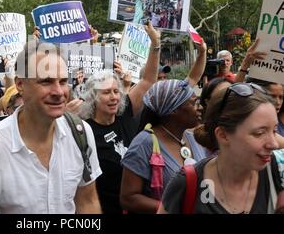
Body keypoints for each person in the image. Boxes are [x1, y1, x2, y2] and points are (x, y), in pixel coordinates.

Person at [0, 41, 102, 213]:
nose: (59, 92)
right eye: (46, 81)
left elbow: (87, 201)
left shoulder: (81, 134)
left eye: (62, 81)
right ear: (20, 85)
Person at [159, 83, 282, 213]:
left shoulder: (279, 171)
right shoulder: (186, 184)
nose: (273, 144)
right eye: (259, 133)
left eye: (274, 130)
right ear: (223, 135)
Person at [78, 21, 161, 214]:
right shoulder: (84, 131)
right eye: (107, 92)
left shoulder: (124, 114)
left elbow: (148, 80)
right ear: (93, 98)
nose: (114, 97)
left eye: (116, 91)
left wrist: (155, 43)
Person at [120, 40, 208, 213]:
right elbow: (128, 199)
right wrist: (173, 208)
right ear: (173, 110)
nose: (200, 107)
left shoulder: (192, 137)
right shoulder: (144, 143)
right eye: (193, 103)